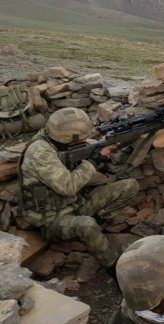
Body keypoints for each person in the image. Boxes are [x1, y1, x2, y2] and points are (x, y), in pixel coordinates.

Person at [18, 107, 138, 274]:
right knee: (86, 225)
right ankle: (112, 266)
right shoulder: (40, 151)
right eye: (79, 139)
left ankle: (99, 224)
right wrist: (94, 161)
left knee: (129, 186)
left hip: (76, 205)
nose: (84, 140)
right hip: (52, 220)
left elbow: (83, 144)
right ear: (67, 138)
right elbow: (68, 187)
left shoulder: (58, 139)